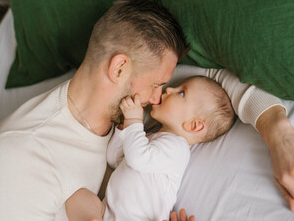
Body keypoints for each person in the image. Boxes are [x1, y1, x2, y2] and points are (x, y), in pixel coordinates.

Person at [0, 0, 294, 220]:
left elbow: (218, 85)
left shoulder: (134, 103)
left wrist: (277, 130)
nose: (160, 96)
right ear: (119, 67)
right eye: (157, 86)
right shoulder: (20, 162)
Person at [65, 76, 236, 221]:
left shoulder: (177, 149)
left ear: (194, 125)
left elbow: (138, 158)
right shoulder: (149, 138)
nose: (169, 90)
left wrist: (134, 122)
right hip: (108, 213)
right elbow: (115, 159)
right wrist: (124, 130)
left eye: (181, 92)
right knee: (78, 197)